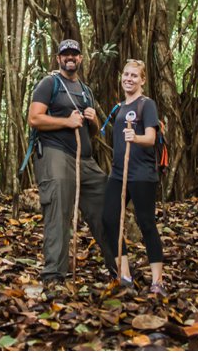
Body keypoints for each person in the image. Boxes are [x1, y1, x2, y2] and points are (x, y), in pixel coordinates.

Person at [27, 38, 117, 286]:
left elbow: (94, 132)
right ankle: (54, 277)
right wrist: (66, 122)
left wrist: (94, 119)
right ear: (58, 58)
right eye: (65, 53)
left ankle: (120, 270)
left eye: (74, 54)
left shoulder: (86, 91)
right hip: (56, 154)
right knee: (59, 213)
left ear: (80, 59)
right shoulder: (49, 84)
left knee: (106, 209)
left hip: (85, 160)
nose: (70, 57)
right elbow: (34, 119)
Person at [102, 59, 165, 295]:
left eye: (134, 76)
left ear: (142, 80)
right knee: (109, 219)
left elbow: (150, 138)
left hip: (141, 173)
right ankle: (125, 274)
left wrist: (135, 137)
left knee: (146, 222)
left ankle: (157, 281)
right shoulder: (118, 107)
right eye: (126, 74)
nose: (129, 79)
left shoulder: (146, 105)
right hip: (119, 173)